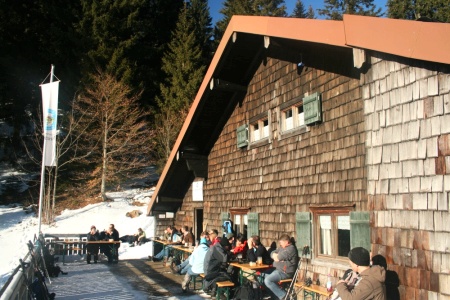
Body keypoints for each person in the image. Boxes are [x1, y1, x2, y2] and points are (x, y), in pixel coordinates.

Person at [264, 234, 299, 300]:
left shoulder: (291, 249)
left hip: (285, 272)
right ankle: (274, 296)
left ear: (286, 242)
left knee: (268, 280)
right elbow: (272, 253)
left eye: (281, 242)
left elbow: (278, 258)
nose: (280, 244)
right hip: (276, 270)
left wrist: (277, 257)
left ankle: (284, 296)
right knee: (262, 275)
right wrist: (275, 256)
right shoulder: (282, 248)